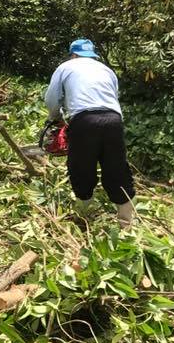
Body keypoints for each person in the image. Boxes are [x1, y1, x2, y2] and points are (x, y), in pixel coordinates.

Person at [44, 38, 135, 228]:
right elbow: (112, 96)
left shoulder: (66, 67)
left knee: (81, 168)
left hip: (84, 120)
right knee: (116, 169)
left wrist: (56, 117)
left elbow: (52, 99)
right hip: (113, 120)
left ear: (74, 54)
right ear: (92, 55)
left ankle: (86, 219)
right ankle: (126, 224)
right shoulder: (107, 70)